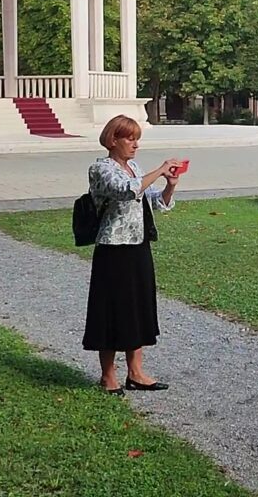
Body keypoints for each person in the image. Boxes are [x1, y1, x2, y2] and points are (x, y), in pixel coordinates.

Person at [83, 115, 184, 395]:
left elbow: (156, 202)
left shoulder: (135, 168)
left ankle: (136, 372)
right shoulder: (100, 169)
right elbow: (126, 190)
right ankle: (108, 375)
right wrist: (160, 169)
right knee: (111, 310)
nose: (135, 144)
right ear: (113, 140)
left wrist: (170, 184)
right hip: (113, 249)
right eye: (130, 138)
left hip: (138, 245)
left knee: (137, 308)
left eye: (137, 138)